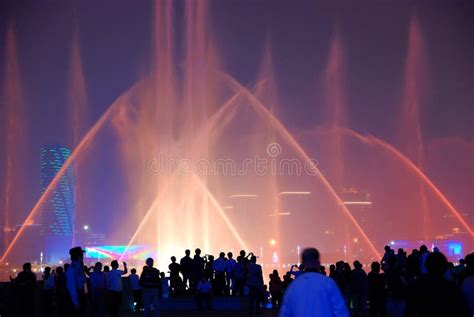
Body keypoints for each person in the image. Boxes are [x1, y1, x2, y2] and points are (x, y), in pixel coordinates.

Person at [280, 248, 348, 317]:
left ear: (303, 264)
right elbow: (341, 311)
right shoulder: (328, 283)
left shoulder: (294, 286)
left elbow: (285, 313)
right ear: (318, 263)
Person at [410, 251, 468, 316]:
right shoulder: (452, 288)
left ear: (426, 266)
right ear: (445, 267)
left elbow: (410, 310)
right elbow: (462, 311)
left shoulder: (418, 287)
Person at [66, 247, 87, 316]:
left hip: (81, 294)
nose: (83, 256)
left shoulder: (79, 267)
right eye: (82, 254)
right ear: (78, 256)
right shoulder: (72, 268)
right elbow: (72, 287)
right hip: (77, 296)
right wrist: (75, 302)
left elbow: (83, 280)